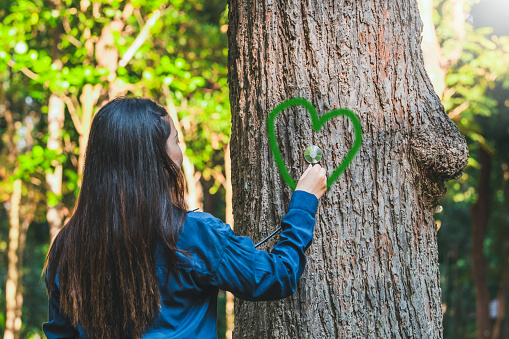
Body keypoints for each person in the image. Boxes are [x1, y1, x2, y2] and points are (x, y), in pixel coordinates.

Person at [43, 97, 327, 339]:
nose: (181, 151)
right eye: (176, 141)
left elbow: (60, 333)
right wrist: (305, 200)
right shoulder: (192, 234)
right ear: (156, 159)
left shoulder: (68, 246)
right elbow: (278, 276)